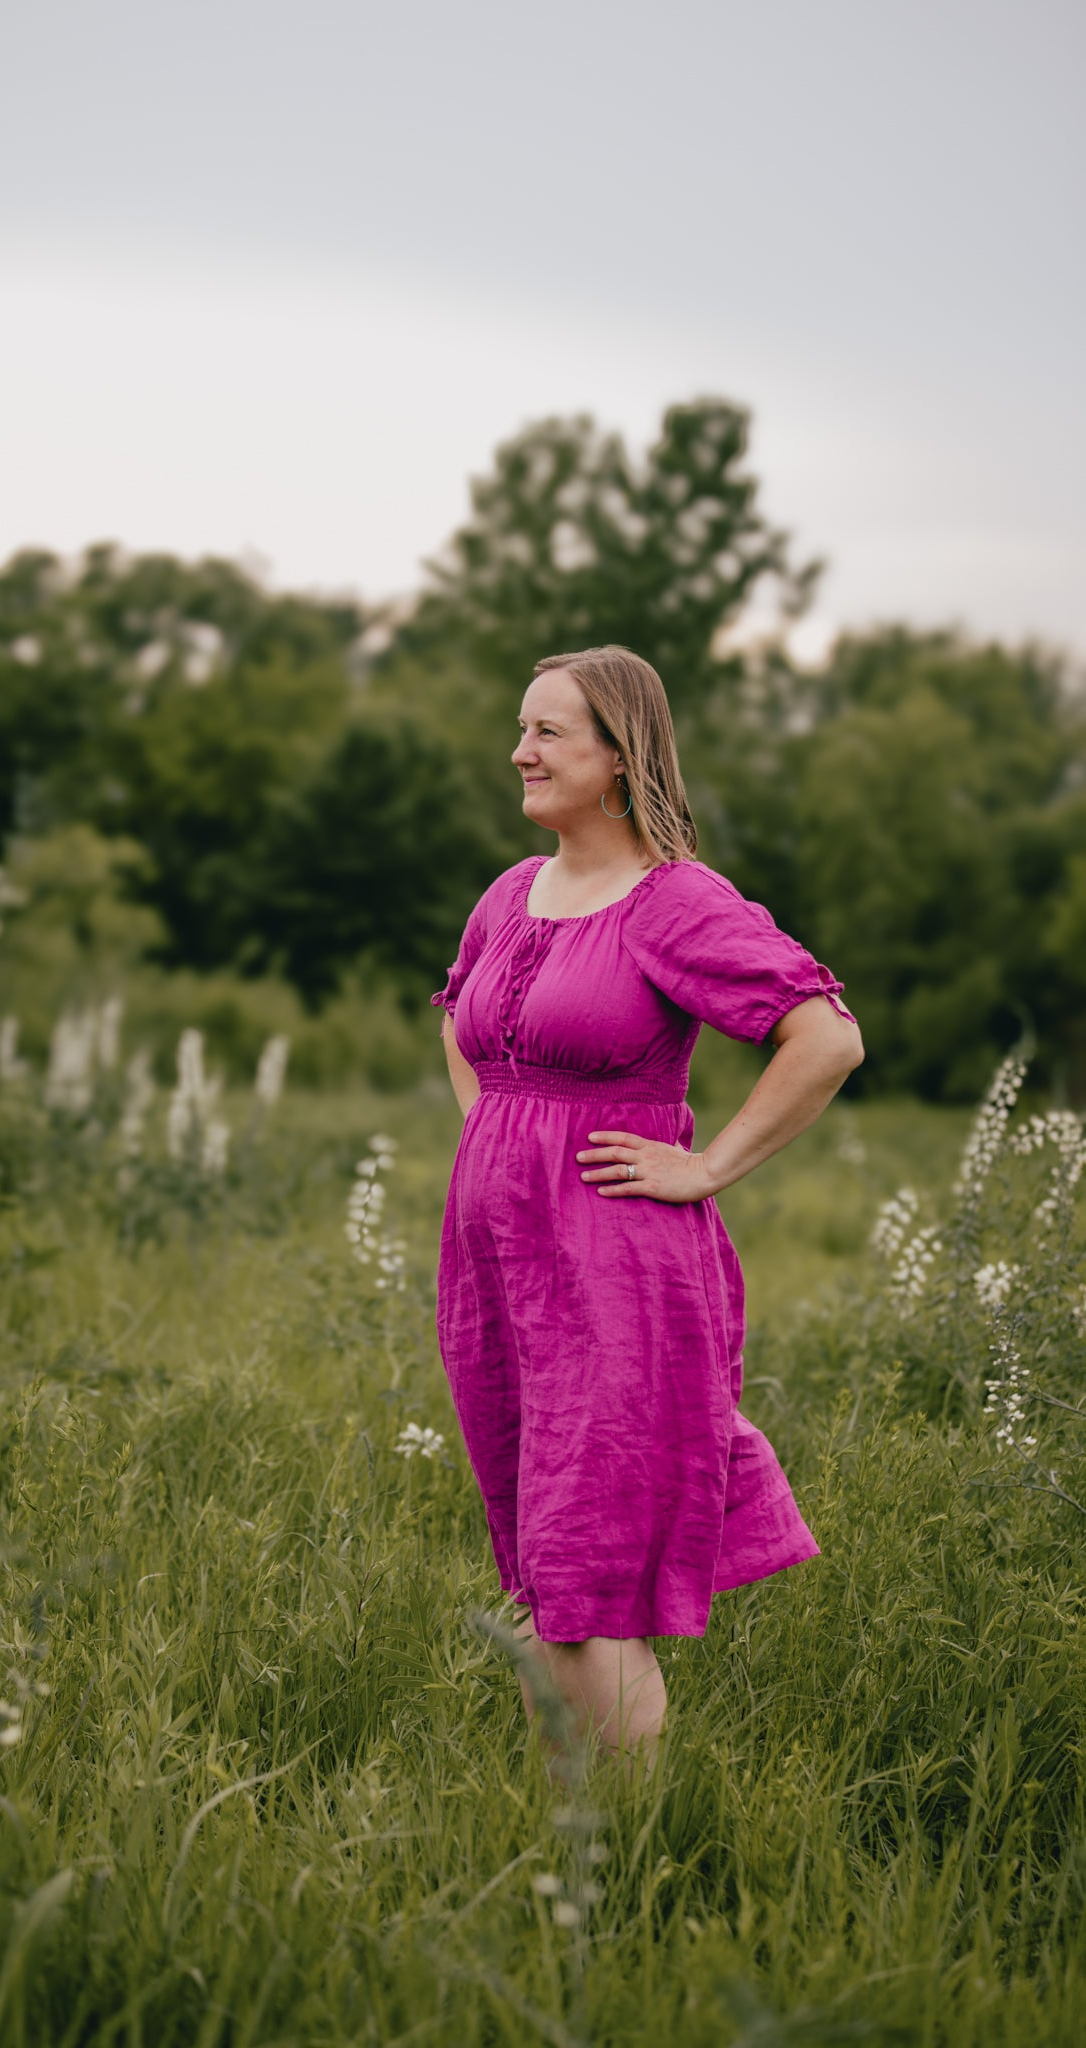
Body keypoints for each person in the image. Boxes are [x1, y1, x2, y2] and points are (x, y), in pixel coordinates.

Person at [431, 645, 864, 1770]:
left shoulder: (675, 900)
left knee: (589, 1569)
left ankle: (632, 1855)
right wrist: (499, 1135)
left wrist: (708, 1164)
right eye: (520, 727)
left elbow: (825, 1036)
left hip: (614, 1265)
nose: (519, 750)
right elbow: (460, 1020)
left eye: (549, 733)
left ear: (619, 757)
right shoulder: (505, 893)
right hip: (496, 1268)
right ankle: (568, 1827)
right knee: (539, 1562)